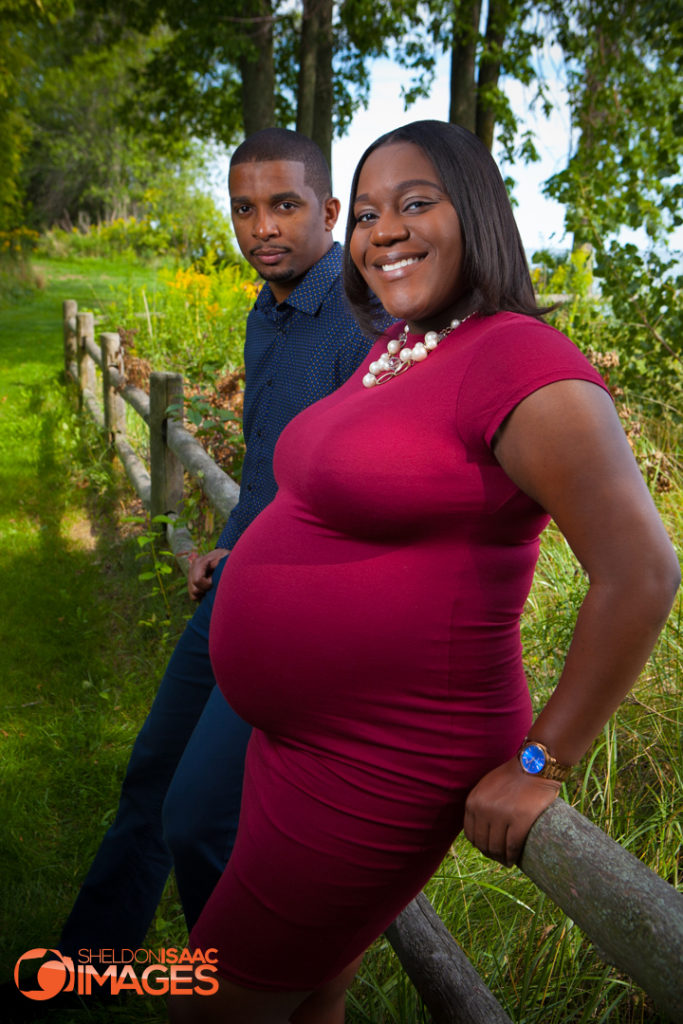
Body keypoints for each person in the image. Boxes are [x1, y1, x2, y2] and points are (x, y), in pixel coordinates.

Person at [169, 120, 680, 1024]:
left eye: (415, 204)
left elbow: (638, 572)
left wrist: (540, 763)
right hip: (295, 748)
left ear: (476, 213)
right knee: (305, 1000)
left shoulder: (521, 358)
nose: (383, 232)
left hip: (379, 759)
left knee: (213, 1003)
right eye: (366, 214)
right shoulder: (402, 347)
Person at [53, 129, 376, 963]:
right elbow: (269, 467)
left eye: (284, 205)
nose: (261, 227)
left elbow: (356, 496)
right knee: (151, 774)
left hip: (294, 611)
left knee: (202, 820)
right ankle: (92, 964)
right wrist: (223, 545)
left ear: (330, 211)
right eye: (244, 208)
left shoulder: (359, 326)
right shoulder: (264, 317)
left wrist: (266, 560)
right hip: (233, 585)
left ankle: (246, 987)